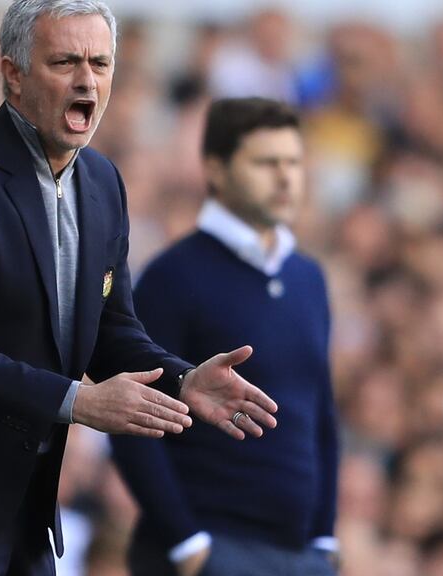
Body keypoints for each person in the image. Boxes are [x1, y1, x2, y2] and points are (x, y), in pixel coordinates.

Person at [0, 2, 279, 574]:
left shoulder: (102, 181)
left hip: (26, 503)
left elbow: (110, 328)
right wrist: (80, 402)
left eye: (100, 63)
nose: (86, 80)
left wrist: (182, 377)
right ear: (14, 74)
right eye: (65, 61)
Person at [110, 98, 341, 576]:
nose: (285, 178)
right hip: (214, 547)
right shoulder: (174, 276)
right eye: (266, 162)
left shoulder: (308, 278)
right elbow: (134, 419)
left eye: (293, 162)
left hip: (300, 553)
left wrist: (323, 538)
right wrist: (187, 544)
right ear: (215, 169)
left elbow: (320, 413)